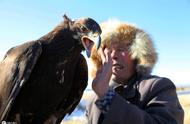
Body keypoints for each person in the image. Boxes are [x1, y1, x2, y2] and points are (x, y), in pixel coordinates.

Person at [85, 20, 184, 124]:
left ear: (138, 54)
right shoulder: (93, 100)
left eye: (120, 49)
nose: (114, 55)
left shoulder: (158, 87)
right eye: (108, 50)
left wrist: (107, 97)